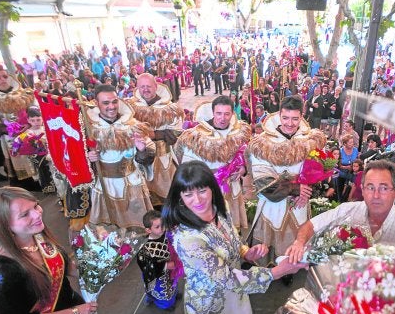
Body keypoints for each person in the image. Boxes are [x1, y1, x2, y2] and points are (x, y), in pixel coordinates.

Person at [162, 161, 307, 314]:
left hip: (237, 292)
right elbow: (228, 279)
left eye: (202, 191)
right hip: (210, 302)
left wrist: (245, 252)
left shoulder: (220, 207)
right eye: (188, 195)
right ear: (180, 197)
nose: (197, 200)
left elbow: (233, 238)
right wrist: (279, 271)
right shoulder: (187, 239)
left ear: (212, 188)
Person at [286, 160, 395, 263]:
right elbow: (312, 224)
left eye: (384, 188)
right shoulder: (347, 210)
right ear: (362, 189)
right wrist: (299, 243)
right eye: (370, 187)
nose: (376, 195)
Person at [0, 186, 97, 314]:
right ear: (4, 225)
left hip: (75, 307)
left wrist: (97, 271)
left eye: (36, 206)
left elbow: (62, 266)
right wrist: (75, 312)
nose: (37, 214)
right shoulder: (2, 271)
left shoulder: (36, 234)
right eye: (25, 214)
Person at [246, 95, 326, 270]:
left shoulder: (310, 140)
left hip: (301, 204)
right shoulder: (263, 144)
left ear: (302, 116)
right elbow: (263, 183)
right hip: (273, 206)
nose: (290, 123)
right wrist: (297, 188)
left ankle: (292, 267)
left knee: (298, 237)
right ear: (279, 115)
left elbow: (318, 169)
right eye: (286, 118)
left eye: (295, 119)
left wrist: (307, 190)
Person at [175, 96, 251, 229]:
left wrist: (243, 168)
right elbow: (188, 169)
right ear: (213, 112)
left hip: (232, 185)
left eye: (227, 114)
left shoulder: (238, 132)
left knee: (232, 225)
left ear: (232, 114)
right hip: (207, 187)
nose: (223, 118)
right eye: (219, 113)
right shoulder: (197, 137)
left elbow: (245, 154)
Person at [86, 84, 155, 228]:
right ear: (96, 104)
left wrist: (142, 150)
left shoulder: (132, 125)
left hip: (132, 184)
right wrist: (88, 158)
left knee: (138, 227)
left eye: (114, 101)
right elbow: (76, 158)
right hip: (106, 185)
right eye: (106, 103)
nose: (111, 106)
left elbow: (148, 157)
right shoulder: (89, 128)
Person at [128, 73, 183, 207]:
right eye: (142, 87)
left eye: (148, 86)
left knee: (166, 192)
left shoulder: (170, 109)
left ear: (156, 86)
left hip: (163, 157)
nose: (145, 90)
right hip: (139, 157)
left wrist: (152, 134)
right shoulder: (130, 107)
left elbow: (176, 132)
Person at [0, 64, 38, 186]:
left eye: (4, 76)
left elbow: (33, 108)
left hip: (29, 131)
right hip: (8, 136)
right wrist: (8, 129)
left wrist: (30, 123)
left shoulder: (21, 92)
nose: (2, 80)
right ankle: (25, 184)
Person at [136, 211, 179, 311]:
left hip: (169, 273)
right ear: (148, 230)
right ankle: (164, 304)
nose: (162, 228)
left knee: (172, 285)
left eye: (163, 224)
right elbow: (146, 266)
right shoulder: (145, 248)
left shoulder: (165, 235)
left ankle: (171, 295)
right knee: (162, 292)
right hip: (157, 278)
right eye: (157, 227)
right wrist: (166, 265)